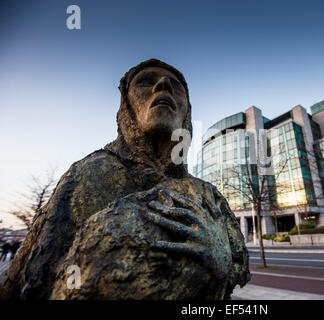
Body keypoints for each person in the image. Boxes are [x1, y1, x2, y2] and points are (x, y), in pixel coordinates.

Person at [0, 59, 250, 300]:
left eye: (177, 87)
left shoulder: (206, 194)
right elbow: (32, 280)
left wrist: (220, 259)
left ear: (187, 112)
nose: (163, 85)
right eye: (146, 82)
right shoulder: (88, 174)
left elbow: (237, 267)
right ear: (126, 105)